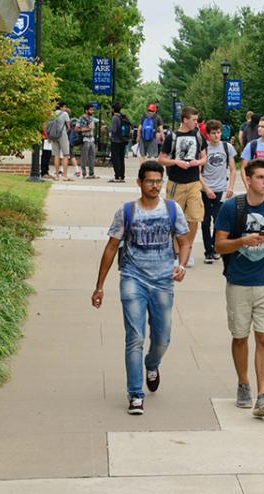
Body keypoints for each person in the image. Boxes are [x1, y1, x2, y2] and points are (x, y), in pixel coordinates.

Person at [91, 161, 190, 414]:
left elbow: (184, 241)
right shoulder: (126, 211)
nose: (155, 186)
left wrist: (182, 265)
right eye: (150, 181)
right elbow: (111, 248)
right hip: (133, 278)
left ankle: (152, 363)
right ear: (139, 183)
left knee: (162, 338)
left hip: (163, 280)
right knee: (134, 337)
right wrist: (99, 286)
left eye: (159, 181)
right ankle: (136, 394)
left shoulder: (172, 209)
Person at [214, 159, 264, 417]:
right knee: (239, 336)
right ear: (247, 180)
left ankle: (263, 395)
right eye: (260, 177)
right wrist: (242, 241)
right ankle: (243, 383)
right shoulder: (231, 208)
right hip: (238, 282)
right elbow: (219, 246)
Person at [159, 106, 207, 268]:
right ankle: (175, 250)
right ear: (185, 120)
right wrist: (176, 162)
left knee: (194, 217)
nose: (196, 123)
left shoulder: (198, 135)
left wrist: (197, 162)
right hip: (176, 183)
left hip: (194, 182)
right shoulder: (172, 136)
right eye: (194, 120)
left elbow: (204, 158)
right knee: (174, 219)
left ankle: (188, 247)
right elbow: (162, 159)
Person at [200, 119, 237, 264]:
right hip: (205, 188)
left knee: (218, 220)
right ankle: (208, 251)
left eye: (218, 132)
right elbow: (198, 172)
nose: (216, 135)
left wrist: (231, 187)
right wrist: (206, 188)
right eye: (213, 133)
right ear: (208, 134)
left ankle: (215, 248)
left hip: (221, 188)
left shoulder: (227, 147)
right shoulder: (204, 149)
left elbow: (233, 169)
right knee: (204, 221)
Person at [109, 102, 131, 183]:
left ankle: (117, 176)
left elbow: (114, 130)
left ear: (113, 109)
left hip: (115, 141)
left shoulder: (115, 118)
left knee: (116, 159)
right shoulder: (123, 116)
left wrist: (109, 131)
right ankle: (122, 176)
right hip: (123, 140)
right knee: (121, 159)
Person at [49, 101, 72, 181]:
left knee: (56, 155)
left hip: (53, 135)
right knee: (65, 155)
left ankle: (57, 176)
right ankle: (65, 176)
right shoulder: (64, 114)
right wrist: (66, 130)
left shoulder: (52, 114)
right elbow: (68, 126)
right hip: (62, 135)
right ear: (63, 106)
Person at [77, 104, 97, 179]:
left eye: (92, 109)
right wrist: (88, 128)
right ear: (86, 110)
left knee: (92, 157)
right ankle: (84, 173)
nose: (92, 111)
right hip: (85, 139)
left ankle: (91, 173)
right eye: (91, 109)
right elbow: (77, 129)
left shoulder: (92, 118)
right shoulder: (82, 118)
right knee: (84, 157)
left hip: (91, 139)